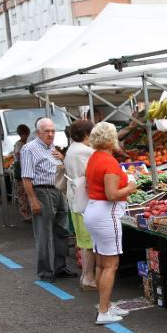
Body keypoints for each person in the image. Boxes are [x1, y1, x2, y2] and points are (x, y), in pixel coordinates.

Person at [84, 122, 137, 325]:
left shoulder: (94, 158)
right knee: (111, 265)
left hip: (93, 210)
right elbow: (112, 194)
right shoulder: (109, 162)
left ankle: (103, 304)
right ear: (110, 139)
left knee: (101, 263)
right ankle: (104, 311)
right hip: (106, 214)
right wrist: (130, 187)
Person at [21, 118, 76, 282]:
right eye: (47, 131)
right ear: (38, 133)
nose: (51, 134)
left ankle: (60, 267)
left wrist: (62, 158)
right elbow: (26, 177)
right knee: (44, 234)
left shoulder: (51, 147)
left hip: (58, 191)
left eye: (53, 130)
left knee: (62, 231)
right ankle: (45, 271)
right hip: (42, 192)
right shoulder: (29, 149)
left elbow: (58, 168)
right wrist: (33, 200)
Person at [64, 119, 97, 291]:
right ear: (86, 134)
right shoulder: (86, 152)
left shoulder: (71, 149)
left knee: (83, 239)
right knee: (89, 241)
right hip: (84, 199)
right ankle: (89, 278)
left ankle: (86, 276)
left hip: (74, 198)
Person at [13, 124, 32, 222]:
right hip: (21, 172)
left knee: (27, 193)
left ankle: (28, 213)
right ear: (22, 134)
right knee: (22, 194)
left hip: (26, 171)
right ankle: (25, 214)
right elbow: (19, 157)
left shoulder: (26, 143)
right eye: (26, 134)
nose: (27, 135)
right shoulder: (19, 144)